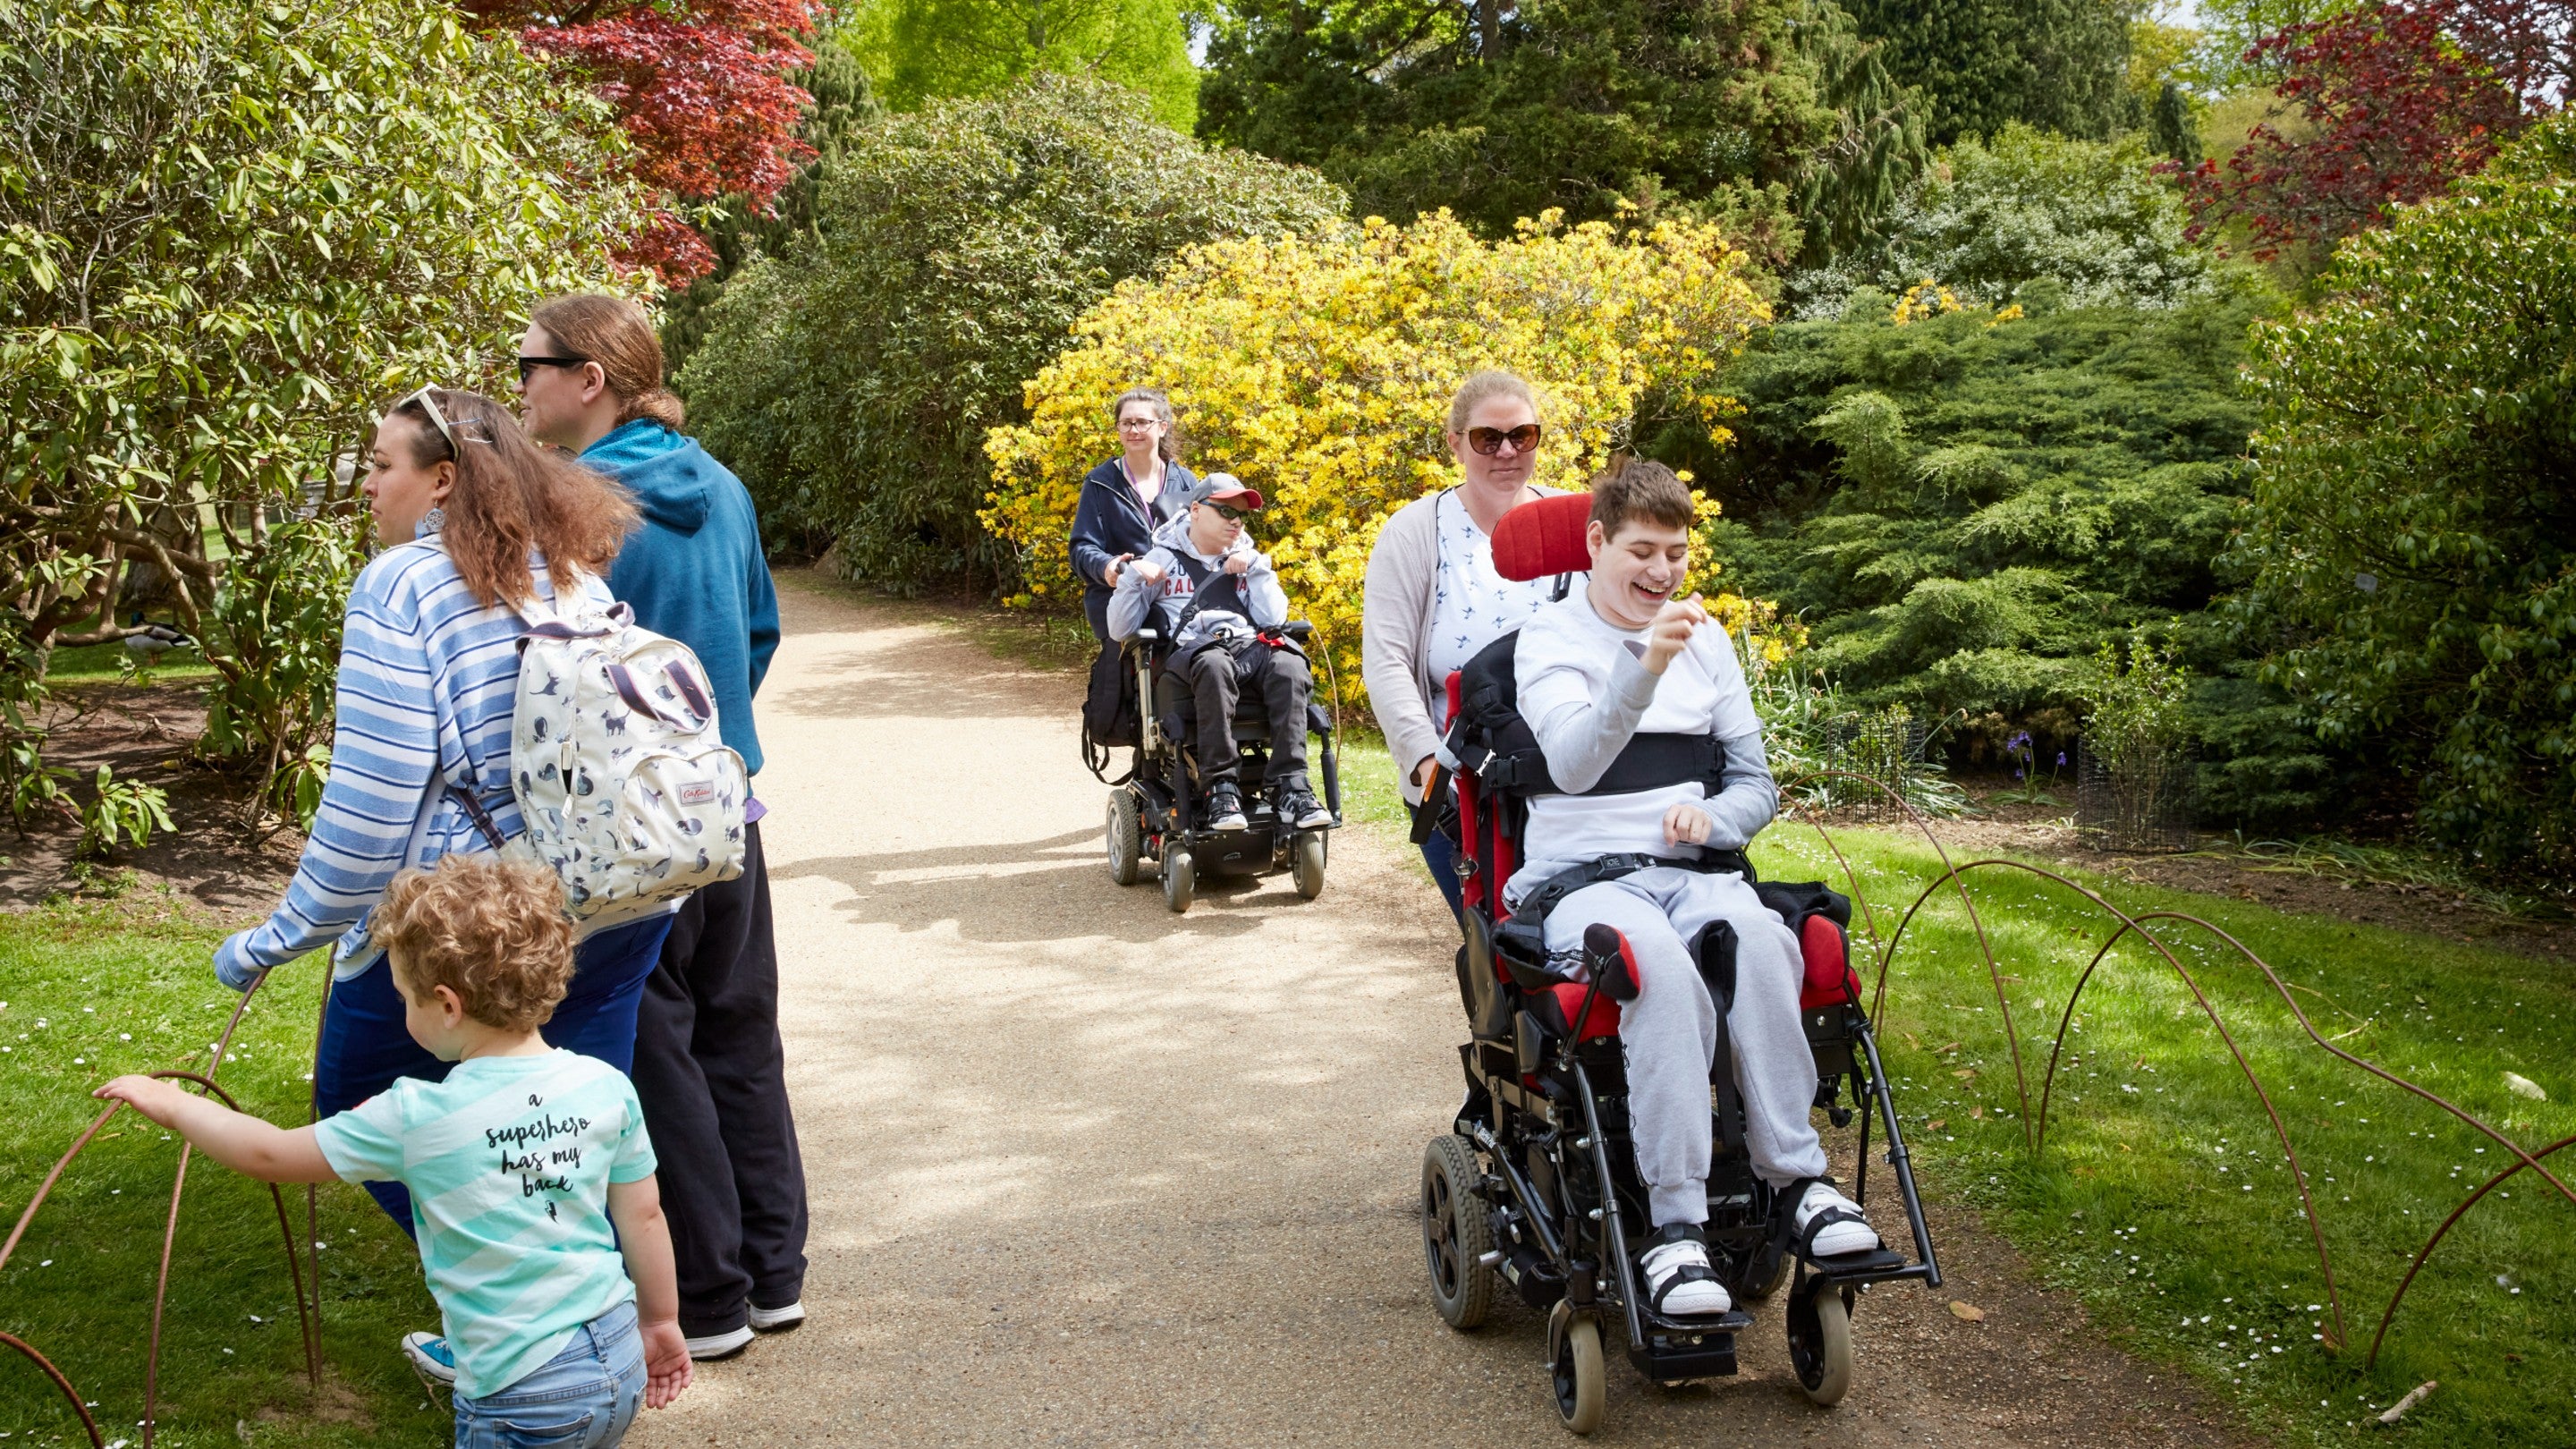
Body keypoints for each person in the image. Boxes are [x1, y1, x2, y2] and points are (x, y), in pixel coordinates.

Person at [214, 386, 670, 1239]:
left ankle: (516, 1303)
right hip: (619, 891)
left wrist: (274, 940)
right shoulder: (568, 570)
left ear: (444, 481)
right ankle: (585, 1310)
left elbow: (370, 812)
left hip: (482, 914)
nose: (366, 485)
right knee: (574, 1127)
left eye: (383, 465)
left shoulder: (405, 585)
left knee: (358, 1098)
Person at [102, 855, 692, 1445]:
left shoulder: (417, 1116)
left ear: (447, 1005)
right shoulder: (604, 1085)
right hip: (617, 1357)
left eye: (405, 998)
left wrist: (175, 1104)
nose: (405, 1010)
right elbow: (642, 1215)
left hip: (522, 1391)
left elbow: (269, 1155)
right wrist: (661, 1321)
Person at [1509, 457, 1879, 1319]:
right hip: (1583, 882)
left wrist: (1716, 823)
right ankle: (1677, 1230)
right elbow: (1570, 762)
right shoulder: (1548, 640)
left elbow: (1756, 783)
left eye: (1676, 553)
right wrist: (1643, 666)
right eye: (1642, 549)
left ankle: (1795, 1182)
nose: (1662, 572)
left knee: (1760, 939)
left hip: (1693, 870)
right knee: (1657, 971)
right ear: (1597, 542)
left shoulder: (1706, 640)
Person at [515, 293, 807, 1365]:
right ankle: (776, 1277)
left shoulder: (569, 502)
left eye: (534, 362)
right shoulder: (721, 485)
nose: (522, 381)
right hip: (727, 802)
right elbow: (762, 627)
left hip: (618, 832)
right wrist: (708, 733)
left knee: (657, 1047)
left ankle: (715, 1299)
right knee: (741, 1033)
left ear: (590, 378)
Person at [1362, 371, 1572, 915]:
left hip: (1575, 785)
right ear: (1456, 442)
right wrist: (1428, 767)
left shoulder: (1576, 524)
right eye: (1487, 438)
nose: (1506, 451)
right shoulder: (1414, 533)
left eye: (1522, 435)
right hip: (1462, 791)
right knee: (1497, 963)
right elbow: (1386, 662)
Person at [1106, 474, 1331, 833]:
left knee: (1288, 662)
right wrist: (1133, 576)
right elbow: (1119, 629)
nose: (1236, 521)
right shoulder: (1161, 558)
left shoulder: (1248, 557)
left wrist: (1258, 569)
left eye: (1241, 514)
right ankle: (1220, 789)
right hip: (1191, 652)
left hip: (1244, 646)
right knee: (1213, 662)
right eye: (1226, 511)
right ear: (1196, 510)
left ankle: (1291, 787)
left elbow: (1274, 619)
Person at [1069, 388, 1199, 642]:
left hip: (1177, 604)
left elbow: (1204, 542)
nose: (1133, 430)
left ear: (1162, 427)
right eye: (1126, 423)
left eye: (1142, 422)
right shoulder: (1100, 483)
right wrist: (1111, 567)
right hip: (1119, 602)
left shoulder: (1186, 482)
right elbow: (1081, 548)